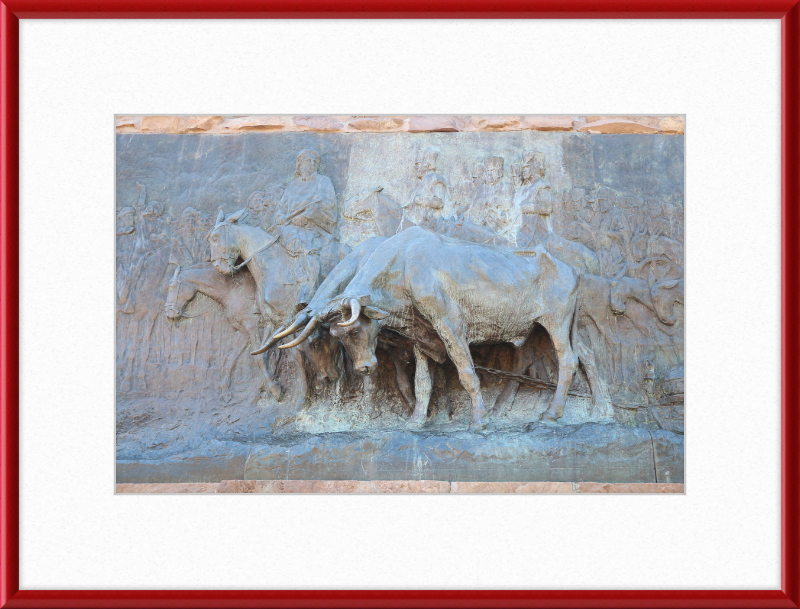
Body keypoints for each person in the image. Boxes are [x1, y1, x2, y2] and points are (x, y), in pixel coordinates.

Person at [275, 149, 338, 302]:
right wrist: (280, 216)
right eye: (307, 161)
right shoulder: (292, 186)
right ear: (299, 165)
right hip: (289, 228)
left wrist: (306, 217)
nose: (310, 164)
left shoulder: (323, 181)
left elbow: (328, 204)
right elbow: (281, 207)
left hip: (314, 228)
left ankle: (309, 290)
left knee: (307, 248)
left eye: (314, 162)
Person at [400, 149, 447, 231]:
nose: (416, 167)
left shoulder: (435, 178)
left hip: (427, 225)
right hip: (414, 223)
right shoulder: (424, 181)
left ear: (427, 165)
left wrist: (420, 200)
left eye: (418, 164)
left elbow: (439, 202)